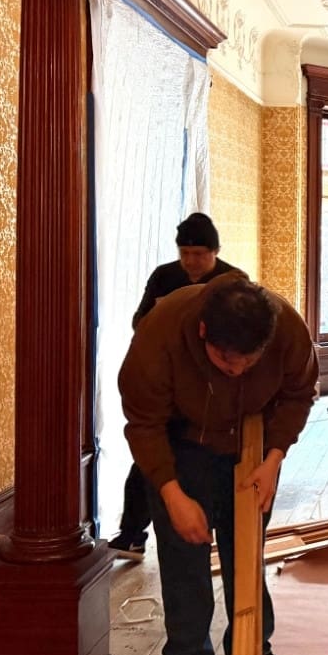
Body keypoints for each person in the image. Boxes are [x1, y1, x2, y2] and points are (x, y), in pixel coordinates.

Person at [119, 272, 320, 655]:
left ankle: (254, 654)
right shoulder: (162, 332)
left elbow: (299, 393)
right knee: (183, 556)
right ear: (204, 331)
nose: (237, 370)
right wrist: (171, 493)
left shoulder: (286, 328)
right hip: (181, 445)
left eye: (249, 361)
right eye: (226, 359)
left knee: (246, 549)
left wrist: (274, 458)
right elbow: (144, 424)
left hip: (251, 447)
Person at [104, 213, 238, 561]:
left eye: (199, 254)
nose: (191, 261)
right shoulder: (164, 276)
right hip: (167, 385)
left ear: (215, 251)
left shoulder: (231, 281)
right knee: (148, 462)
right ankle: (132, 534)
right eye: (185, 254)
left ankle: (213, 532)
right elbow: (140, 322)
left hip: (211, 391)